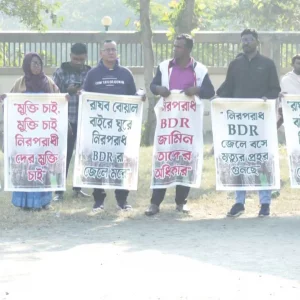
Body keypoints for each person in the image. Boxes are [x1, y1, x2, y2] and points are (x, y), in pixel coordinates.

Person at [145, 34, 215, 216]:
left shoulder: (199, 70)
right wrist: (159, 89)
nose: (175, 49)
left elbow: (210, 91)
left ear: (188, 49)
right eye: (174, 46)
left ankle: (181, 202)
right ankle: (155, 203)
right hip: (167, 125)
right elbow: (153, 86)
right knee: (164, 159)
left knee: (185, 160)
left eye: (179, 47)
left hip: (188, 126)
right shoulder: (164, 67)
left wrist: (197, 89)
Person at [217, 29, 281, 217]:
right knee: (239, 160)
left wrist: (264, 99)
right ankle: (239, 202)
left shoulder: (268, 64)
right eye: (243, 40)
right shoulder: (235, 64)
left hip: (260, 122)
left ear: (257, 42)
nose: (246, 43)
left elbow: (274, 89)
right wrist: (215, 98)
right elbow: (227, 88)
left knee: (262, 160)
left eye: (249, 39)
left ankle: (265, 203)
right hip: (238, 123)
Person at [83, 39, 141, 212]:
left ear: (117, 53)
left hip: (120, 129)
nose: (110, 53)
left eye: (113, 50)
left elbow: (133, 95)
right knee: (98, 162)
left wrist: (141, 95)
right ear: (101, 53)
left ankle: (122, 200)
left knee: (121, 163)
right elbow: (86, 95)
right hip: (99, 129)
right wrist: (82, 95)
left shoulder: (126, 73)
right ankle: (98, 201)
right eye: (107, 50)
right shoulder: (93, 74)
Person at [9, 53, 60, 210]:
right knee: (27, 166)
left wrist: (64, 100)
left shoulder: (48, 82)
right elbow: (11, 101)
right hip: (26, 136)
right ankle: (25, 203)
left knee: (42, 166)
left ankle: (43, 201)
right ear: (26, 65)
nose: (36, 66)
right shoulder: (20, 83)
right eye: (33, 63)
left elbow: (58, 101)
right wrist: (6, 98)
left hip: (43, 135)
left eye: (39, 63)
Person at [52, 43, 91, 201]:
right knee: (63, 155)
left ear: (86, 57)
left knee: (82, 155)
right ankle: (58, 190)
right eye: (75, 59)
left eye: (81, 59)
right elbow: (53, 95)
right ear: (70, 56)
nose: (78, 62)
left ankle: (78, 188)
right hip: (65, 120)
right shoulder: (60, 72)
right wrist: (67, 92)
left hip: (85, 120)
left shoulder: (90, 72)